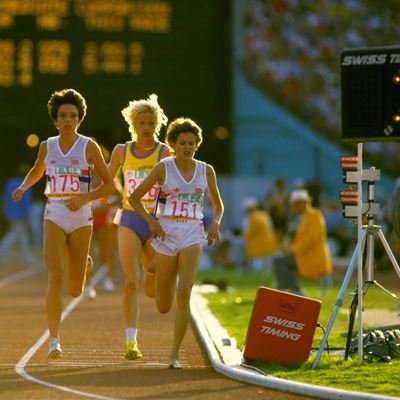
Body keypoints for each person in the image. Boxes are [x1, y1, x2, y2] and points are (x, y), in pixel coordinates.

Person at [11, 88, 115, 358]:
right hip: (54, 211)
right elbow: (37, 170)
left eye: (73, 115)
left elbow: (110, 186)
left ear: (80, 119)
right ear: (55, 120)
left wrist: (85, 199)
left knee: (75, 289)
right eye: (63, 116)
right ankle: (54, 339)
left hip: (81, 217)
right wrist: (23, 187)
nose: (68, 120)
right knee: (55, 276)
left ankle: (85, 266)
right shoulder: (47, 145)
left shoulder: (88, 146)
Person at [129, 117, 224, 369]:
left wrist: (215, 223)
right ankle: (156, 265)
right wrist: (150, 222)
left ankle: (174, 354)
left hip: (193, 233)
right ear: (172, 144)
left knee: (185, 293)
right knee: (163, 305)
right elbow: (135, 198)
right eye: (182, 143)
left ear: (197, 145)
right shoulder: (163, 168)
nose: (187, 147)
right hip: (166, 233)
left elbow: (217, 204)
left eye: (191, 143)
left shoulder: (206, 170)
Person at [108, 94, 169, 360]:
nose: (146, 127)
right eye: (142, 122)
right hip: (131, 219)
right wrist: (97, 196)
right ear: (133, 124)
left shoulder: (164, 153)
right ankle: (131, 342)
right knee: (131, 281)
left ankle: (153, 272)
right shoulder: (122, 151)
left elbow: (173, 186)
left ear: (157, 125)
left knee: (152, 287)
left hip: (155, 221)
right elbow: (109, 180)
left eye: (151, 122)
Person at [272, 188, 332, 296]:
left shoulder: (314, 215)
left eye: (297, 203)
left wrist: (293, 250)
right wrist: (290, 249)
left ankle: (294, 289)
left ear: (305, 202)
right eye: (294, 204)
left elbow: (311, 239)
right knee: (279, 260)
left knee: (278, 261)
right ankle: (286, 289)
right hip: (303, 256)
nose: (295, 206)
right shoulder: (302, 218)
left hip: (312, 258)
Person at [0, 163, 36, 266]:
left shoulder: (10, 182)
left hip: (9, 212)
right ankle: (27, 258)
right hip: (20, 213)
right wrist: (26, 214)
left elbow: (4, 197)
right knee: (14, 235)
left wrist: (5, 210)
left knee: (22, 235)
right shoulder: (26, 184)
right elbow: (26, 201)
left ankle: (28, 258)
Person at [242, 197, 278, 271]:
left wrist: (242, 236)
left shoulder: (252, 217)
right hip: (271, 245)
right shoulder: (264, 215)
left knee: (258, 270)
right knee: (268, 269)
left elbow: (250, 234)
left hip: (258, 248)